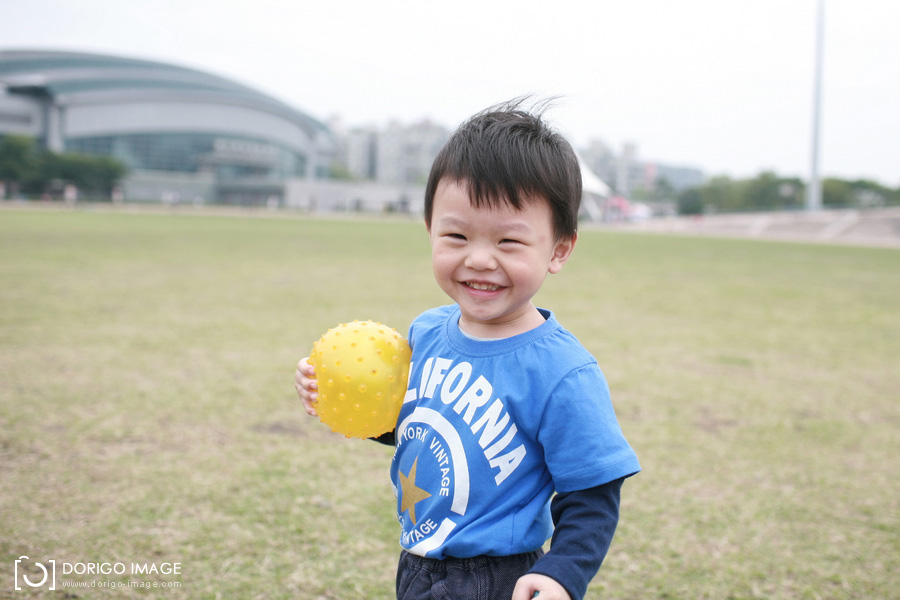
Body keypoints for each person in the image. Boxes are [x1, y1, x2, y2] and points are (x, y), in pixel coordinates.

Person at [295, 98, 640, 600]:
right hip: (419, 562)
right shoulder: (426, 332)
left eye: (508, 242)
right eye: (456, 235)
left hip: (498, 576)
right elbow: (419, 426)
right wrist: (338, 396)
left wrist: (562, 572)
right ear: (430, 230)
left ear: (559, 249)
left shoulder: (562, 372)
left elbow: (592, 493)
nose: (479, 259)